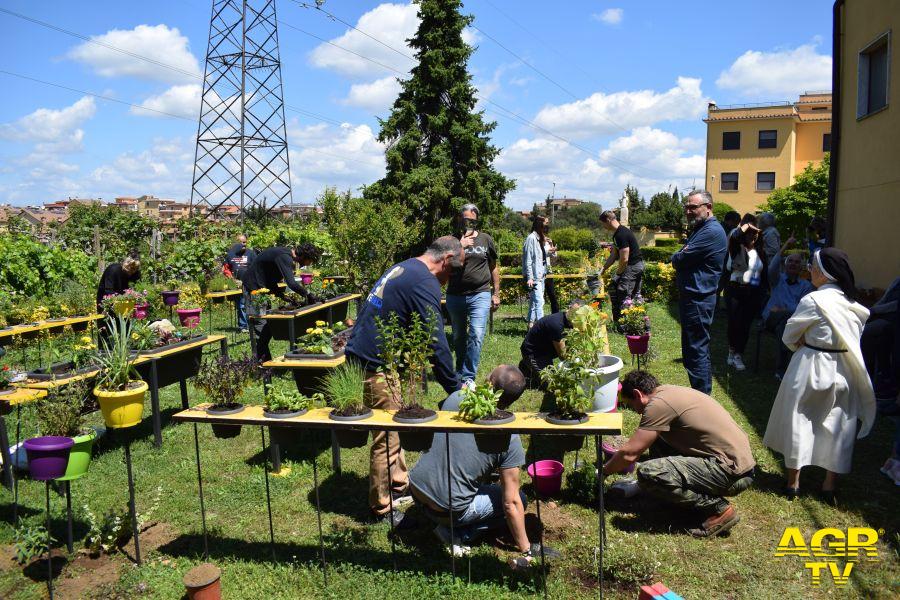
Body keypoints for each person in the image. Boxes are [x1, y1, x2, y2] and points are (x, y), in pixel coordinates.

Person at [346, 236, 462, 525]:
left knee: (393, 427)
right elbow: (435, 340)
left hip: (365, 354)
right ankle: (381, 507)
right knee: (387, 436)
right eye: (455, 271)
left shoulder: (408, 266)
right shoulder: (425, 282)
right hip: (375, 363)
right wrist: (455, 388)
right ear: (446, 260)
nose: (451, 279)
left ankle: (398, 483)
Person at [409, 365, 559, 566]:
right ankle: (458, 533)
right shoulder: (509, 438)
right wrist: (526, 548)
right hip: (448, 510)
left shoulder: (456, 398)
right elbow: (510, 503)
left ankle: (444, 522)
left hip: (416, 489)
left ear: (489, 384)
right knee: (521, 499)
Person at [763, 248, 876, 504]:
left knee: (799, 419)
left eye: (813, 266)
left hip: (811, 365)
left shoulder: (813, 301)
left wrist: (805, 341)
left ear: (824, 273)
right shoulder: (856, 307)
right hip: (843, 368)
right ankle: (829, 485)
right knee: (839, 426)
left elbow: (789, 336)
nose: (810, 270)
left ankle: (793, 483)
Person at [603, 370, 755, 538]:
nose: (636, 411)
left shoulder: (658, 405)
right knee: (658, 438)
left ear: (638, 394)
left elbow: (630, 453)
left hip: (731, 473)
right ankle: (668, 494)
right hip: (740, 465)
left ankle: (719, 510)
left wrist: (603, 472)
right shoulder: (668, 392)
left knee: (649, 473)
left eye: (632, 405)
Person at [670, 190, 727, 394]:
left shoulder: (710, 231)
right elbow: (682, 254)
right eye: (686, 207)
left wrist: (679, 255)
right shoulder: (702, 229)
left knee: (696, 350)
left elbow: (679, 259)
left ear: (708, 207)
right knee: (694, 349)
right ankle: (701, 396)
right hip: (695, 298)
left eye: (693, 207)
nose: (688, 211)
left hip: (698, 299)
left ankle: (702, 399)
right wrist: (681, 253)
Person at [445, 204, 500, 387]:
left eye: (472, 221)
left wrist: (496, 293)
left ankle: (468, 377)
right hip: (455, 295)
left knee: (476, 334)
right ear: (459, 219)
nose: (468, 223)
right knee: (459, 336)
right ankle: (459, 372)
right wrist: (459, 246)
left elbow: (493, 267)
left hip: (480, 294)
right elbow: (442, 263)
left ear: (477, 221)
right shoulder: (451, 240)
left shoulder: (486, 239)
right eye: (465, 219)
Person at [242, 243, 322, 361]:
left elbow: (269, 275)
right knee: (260, 326)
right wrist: (308, 294)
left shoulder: (284, 255)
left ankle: (264, 361)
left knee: (266, 326)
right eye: (309, 261)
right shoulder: (284, 257)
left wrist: (281, 295)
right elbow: (291, 283)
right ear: (304, 256)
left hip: (262, 288)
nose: (308, 264)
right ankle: (263, 365)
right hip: (253, 289)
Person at [762, 239, 814, 379]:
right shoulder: (777, 279)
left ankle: (781, 369)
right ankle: (785, 369)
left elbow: (803, 308)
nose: (793, 264)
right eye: (790, 261)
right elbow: (772, 266)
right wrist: (786, 245)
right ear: (785, 265)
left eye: (797, 262)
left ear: (801, 267)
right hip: (771, 320)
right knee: (784, 323)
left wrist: (782, 310)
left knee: (783, 326)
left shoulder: (805, 286)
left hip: (789, 321)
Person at [518, 299, 585, 388]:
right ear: (568, 308)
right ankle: (528, 364)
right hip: (534, 353)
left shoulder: (569, 321)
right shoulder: (556, 324)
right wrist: (577, 366)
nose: (576, 315)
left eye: (579, 314)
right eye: (574, 312)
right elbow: (562, 355)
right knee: (553, 385)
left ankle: (527, 368)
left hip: (545, 351)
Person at [724, 221, 764, 371]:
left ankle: (738, 354)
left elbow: (761, 273)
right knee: (735, 323)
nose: (753, 236)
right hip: (736, 288)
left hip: (752, 290)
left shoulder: (759, 251)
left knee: (746, 324)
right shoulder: (737, 248)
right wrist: (747, 225)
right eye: (750, 233)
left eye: (755, 233)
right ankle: (733, 352)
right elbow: (734, 237)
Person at [599, 210, 645, 325]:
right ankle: (636, 322)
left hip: (632, 266)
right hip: (637, 265)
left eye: (603, 223)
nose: (603, 226)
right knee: (634, 295)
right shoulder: (618, 234)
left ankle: (624, 324)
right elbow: (614, 255)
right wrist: (603, 268)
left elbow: (624, 258)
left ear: (608, 220)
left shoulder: (621, 234)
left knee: (623, 293)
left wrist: (618, 274)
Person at [225, 234, 256, 332]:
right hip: (236, 285)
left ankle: (251, 325)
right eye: (241, 242)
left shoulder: (251, 254)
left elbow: (256, 267)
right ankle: (243, 326)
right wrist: (231, 278)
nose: (243, 244)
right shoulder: (231, 254)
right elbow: (226, 268)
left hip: (249, 283)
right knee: (240, 305)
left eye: (245, 242)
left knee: (249, 304)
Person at [522, 216, 550, 327]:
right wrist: (529, 277)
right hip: (534, 277)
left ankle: (531, 326)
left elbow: (540, 258)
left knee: (534, 302)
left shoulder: (539, 238)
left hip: (541, 275)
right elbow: (528, 259)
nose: (547, 226)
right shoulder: (531, 238)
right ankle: (541, 328)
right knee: (539, 302)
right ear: (540, 225)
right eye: (546, 224)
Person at [543, 233, 560, 314]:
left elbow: (554, 255)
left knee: (552, 294)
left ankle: (555, 314)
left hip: (548, 271)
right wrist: (548, 250)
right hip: (539, 272)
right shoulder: (536, 242)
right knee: (539, 296)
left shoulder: (548, 243)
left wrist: (551, 245)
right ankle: (538, 316)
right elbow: (540, 254)